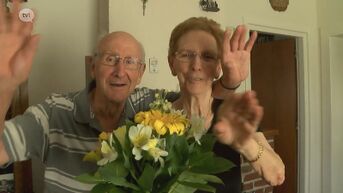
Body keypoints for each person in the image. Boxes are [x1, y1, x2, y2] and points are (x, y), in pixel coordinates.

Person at [167, 17, 285, 192]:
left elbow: (276, 175)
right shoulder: (153, 118)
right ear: (172, 63)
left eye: (208, 57)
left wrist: (244, 144)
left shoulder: (233, 113)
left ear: (218, 68)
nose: (196, 66)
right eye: (186, 55)